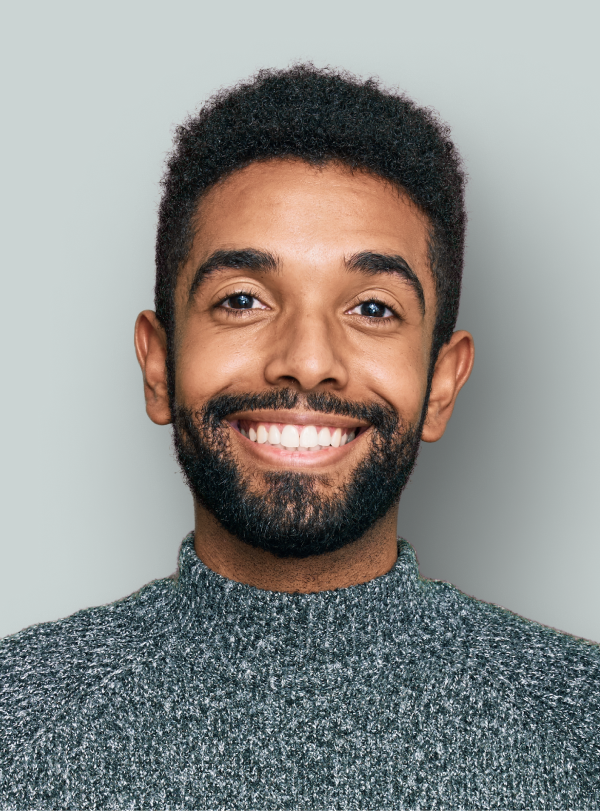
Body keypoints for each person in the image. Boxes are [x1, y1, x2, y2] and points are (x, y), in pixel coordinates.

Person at [1, 64, 598, 808]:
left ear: (441, 385)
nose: (308, 362)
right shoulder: (15, 719)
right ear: (158, 365)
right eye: (243, 299)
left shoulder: (582, 729)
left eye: (373, 308)